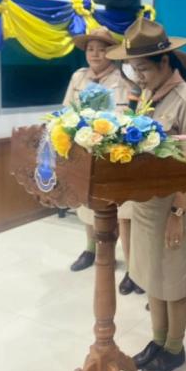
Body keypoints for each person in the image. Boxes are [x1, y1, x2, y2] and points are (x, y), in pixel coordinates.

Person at [106, 17, 186, 371]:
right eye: (134, 69)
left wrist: (178, 212)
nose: (139, 76)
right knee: (152, 276)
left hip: (173, 204)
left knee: (173, 281)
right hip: (148, 203)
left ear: (165, 61)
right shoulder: (150, 94)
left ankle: (175, 348)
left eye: (144, 68)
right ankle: (158, 339)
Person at [64, 28, 140, 288]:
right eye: (90, 49)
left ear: (112, 53)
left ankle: (132, 267)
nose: (95, 54)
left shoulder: (124, 80)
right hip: (84, 153)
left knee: (123, 212)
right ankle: (91, 249)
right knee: (86, 205)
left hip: (114, 156)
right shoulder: (78, 77)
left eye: (102, 49)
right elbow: (66, 111)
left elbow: (129, 117)